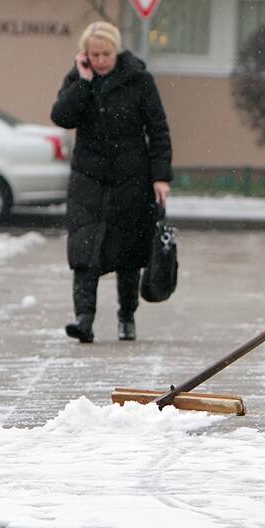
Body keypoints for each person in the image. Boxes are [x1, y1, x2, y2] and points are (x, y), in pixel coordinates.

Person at [50, 21, 172, 343]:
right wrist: (84, 83)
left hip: (131, 177)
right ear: (85, 55)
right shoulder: (79, 79)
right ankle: (84, 320)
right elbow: (62, 116)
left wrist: (161, 176)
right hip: (88, 180)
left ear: (116, 51)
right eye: (94, 54)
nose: (101, 59)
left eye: (106, 53)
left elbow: (157, 129)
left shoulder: (139, 81)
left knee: (128, 253)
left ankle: (126, 316)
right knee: (84, 250)